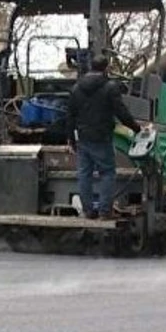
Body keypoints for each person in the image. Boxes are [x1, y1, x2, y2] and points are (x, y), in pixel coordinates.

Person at [66, 55, 142, 220]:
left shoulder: (77, 88)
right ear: (106, 68)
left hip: (83, 138)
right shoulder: (110, 87)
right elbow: (121, 112)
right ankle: (104, 211)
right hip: (102, 137)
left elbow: (70, 116)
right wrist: (137, 129)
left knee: (84, 174)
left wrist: (71, 138)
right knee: (107, 173)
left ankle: (88, 211)